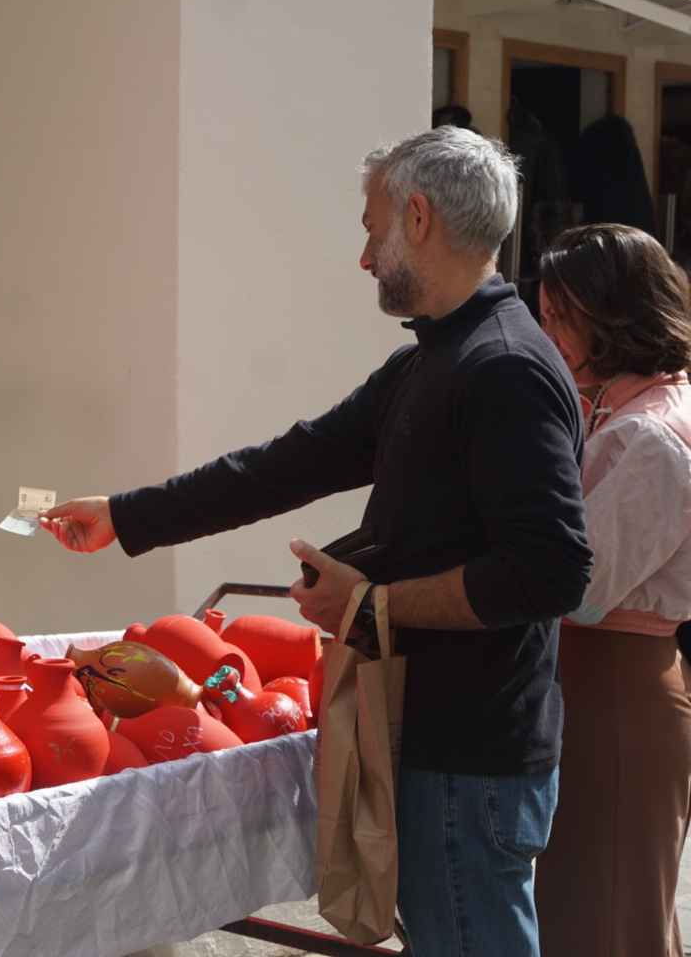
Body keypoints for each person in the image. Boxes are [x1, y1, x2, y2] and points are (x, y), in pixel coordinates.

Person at [40, 126, 592, 957]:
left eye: (371, 228)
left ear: (416, 217)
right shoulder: (436, 359)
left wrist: (373, 603)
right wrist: (128, 515)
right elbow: (285, 464)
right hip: (433, 739)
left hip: (470, 753)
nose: (365, 256)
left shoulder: (501, 365)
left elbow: (551, 569)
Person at [530, 224, 691, 957]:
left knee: (603, 920)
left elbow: (582, 589)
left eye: (561, 315)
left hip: (613, 688)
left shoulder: (648, 433)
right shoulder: (637, 409)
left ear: (614, 314)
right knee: (605, 912)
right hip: (604, 685)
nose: (547, 332)